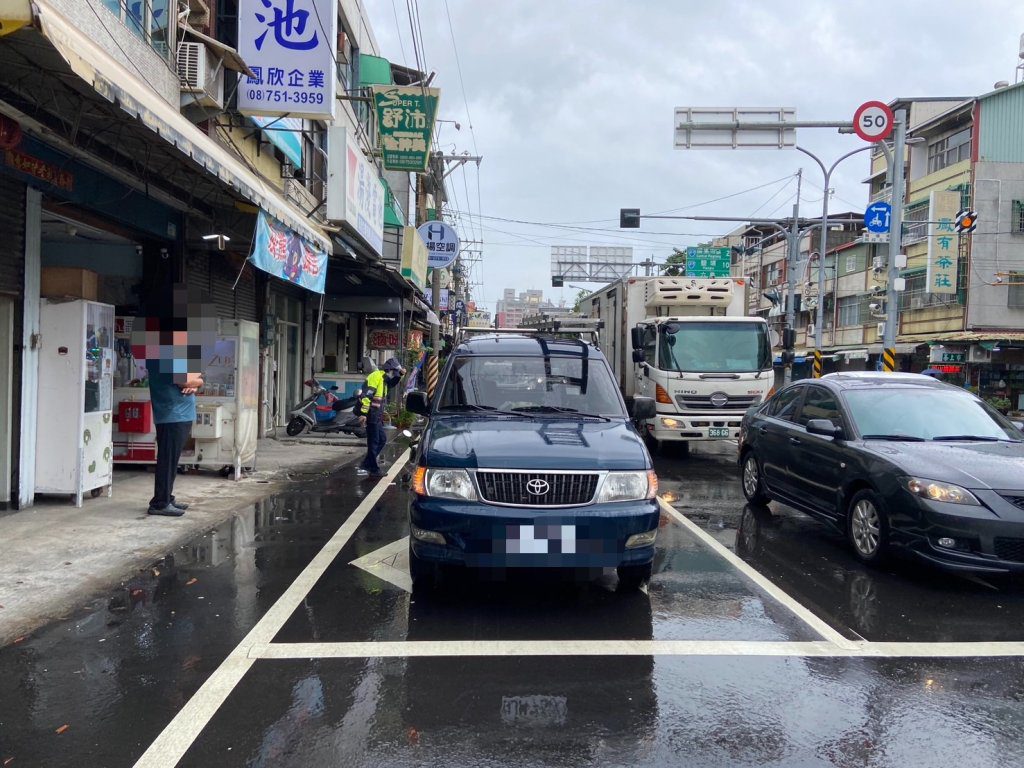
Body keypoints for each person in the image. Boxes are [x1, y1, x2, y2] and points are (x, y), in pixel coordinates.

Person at [147, 362, 203, 515]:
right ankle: (160, 503)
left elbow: (192, 377)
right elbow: (185, 380)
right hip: (173, 414)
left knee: (170, 459)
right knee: (168, 459)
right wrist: (199, 382)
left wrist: (194, 384)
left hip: (176, 414)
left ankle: (166, 497)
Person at [356, 356, 406, 477]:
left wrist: (400, 374)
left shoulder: (384, 379)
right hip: (370, 414)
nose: (393, 375)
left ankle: (367, 463)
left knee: (382, 439)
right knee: (374, 442)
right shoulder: (376, 376)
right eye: (394, 372)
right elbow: (366, 396)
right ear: (389, 370)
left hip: (377, 415)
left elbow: (393, 383)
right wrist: (363, 414)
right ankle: (373, 468)